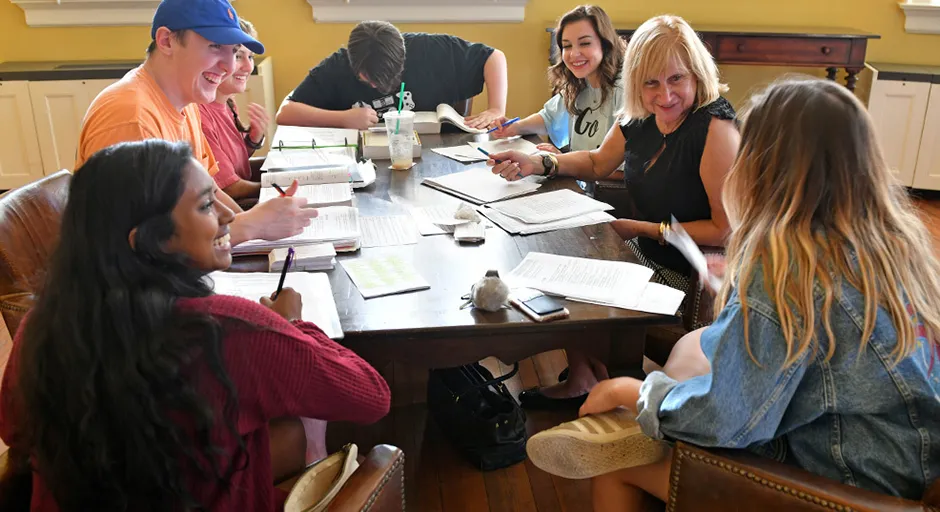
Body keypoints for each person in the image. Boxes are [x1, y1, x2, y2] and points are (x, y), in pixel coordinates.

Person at [528, 75, 940, 510]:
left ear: (763, 164)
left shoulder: (786, 271)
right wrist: (742, 294)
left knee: (618, 463)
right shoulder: (892, 240)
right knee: (693, 342)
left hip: (846, 482)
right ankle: (651, 428)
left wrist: (632, 390)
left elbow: (726, 420)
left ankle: (648, 429)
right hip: (908, 457)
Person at [0, 139, 391, 511]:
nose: (228, 216)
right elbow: (372, 396)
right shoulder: (230, 332)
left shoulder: (42, 324)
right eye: (206, 207)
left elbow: (14, 432)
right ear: (151, 241)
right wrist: (292, 325)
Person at [487, 15, 740, 409]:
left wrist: (645, 228)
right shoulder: (639, 117)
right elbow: (597, 163)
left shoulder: (714, 128)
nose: (664, 95)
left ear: (697, 74)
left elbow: (726, 230)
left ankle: (607, 385)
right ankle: (588, 375)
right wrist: (539, 162)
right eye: (651, 83)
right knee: (559, 254)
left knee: (573, 272)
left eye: (676, 79)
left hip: (689, 274)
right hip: (645, 251)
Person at [76, 0, 317, 246]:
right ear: (166, 41)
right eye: (214, 46)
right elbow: (141, 246)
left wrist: (254, 224)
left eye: (233, 51)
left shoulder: (187, 102)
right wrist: (252, 225)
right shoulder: (132, 118)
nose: (230, 66)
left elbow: (211, 191)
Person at [276, 20, 508, 131]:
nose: (380, 85)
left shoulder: (428, 49)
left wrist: (496, 109)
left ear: (402, 55)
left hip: (438, 154)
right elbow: (285, 113)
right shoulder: (338, 65)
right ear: (353, 64)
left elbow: (494, 57)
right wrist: (343, 118)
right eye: (369, 79)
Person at [491, 5, 625, 154]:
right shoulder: (579, 83)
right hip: (579, 174)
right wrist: (515, 127)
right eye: (567, 46)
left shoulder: (623, 91)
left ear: (605, 44)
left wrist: (563, 161)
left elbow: (622, 168)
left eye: (585, 43)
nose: (573, 54)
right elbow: (549, 117)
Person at [199, 17, 268, 201]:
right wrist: (278, 186)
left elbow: (234, 165)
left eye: (250, 57)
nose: (248, 67)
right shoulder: (200, 115)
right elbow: (229, 188)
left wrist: (253, 140)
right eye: (238, 56)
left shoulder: (227, 100)